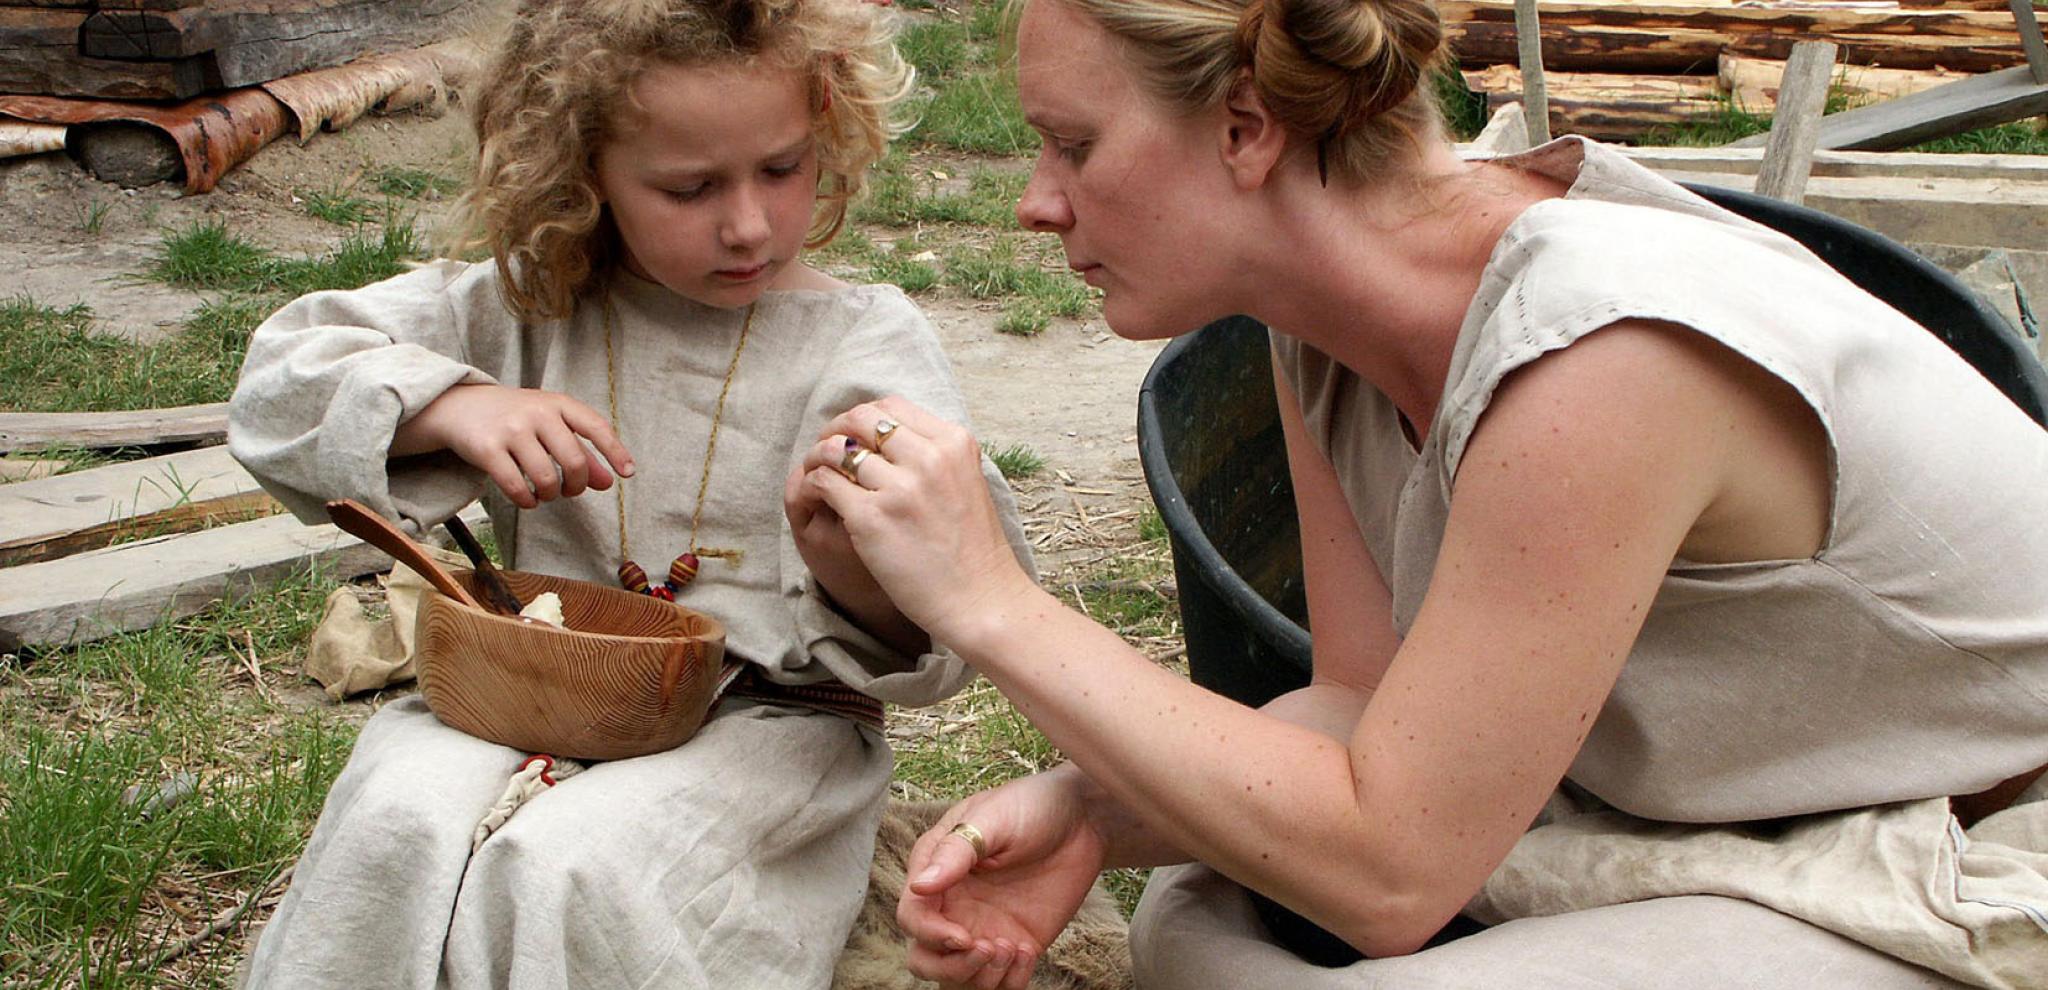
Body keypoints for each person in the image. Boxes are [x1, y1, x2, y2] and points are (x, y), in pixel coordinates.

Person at [783, 0, 2048, 986]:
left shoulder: (1598, 351)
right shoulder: (1319, 327)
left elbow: (1391, 873)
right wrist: (1091, 815)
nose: (1034, 201)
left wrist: (990, 604)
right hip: (1756, 804)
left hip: (1987, 850)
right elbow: (1359, 704)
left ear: (1242, 128)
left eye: (1074, 143)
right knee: (1199, 915)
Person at [226, 0, 1028, 985]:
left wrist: (856, 574)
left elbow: (965, 613)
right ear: (584, 171)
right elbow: (277, 387)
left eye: (781, 167)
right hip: (528, 695)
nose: (747, 223)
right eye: (687, 188)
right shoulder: (524, 307)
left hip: (765, 728)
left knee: (564, 866)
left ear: (825, 124)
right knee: (398, 813)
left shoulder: (862, 346)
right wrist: (453, 406)